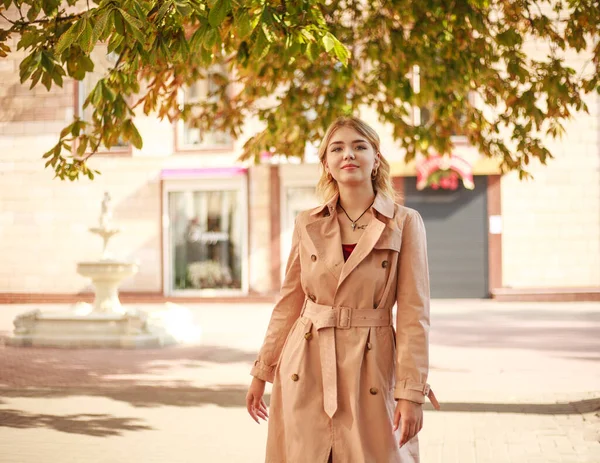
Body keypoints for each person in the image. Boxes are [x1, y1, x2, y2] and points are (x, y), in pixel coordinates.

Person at [246, 116, 440, 462]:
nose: (348, 154)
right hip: (305, 363)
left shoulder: (404, 222)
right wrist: (262, 372)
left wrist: (411, 393)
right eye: (337, 148)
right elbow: (290, 302)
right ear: (327, 164)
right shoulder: (308, 222)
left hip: (372, 363)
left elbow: (414, 314)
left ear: (375, 158)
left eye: (359, 146)